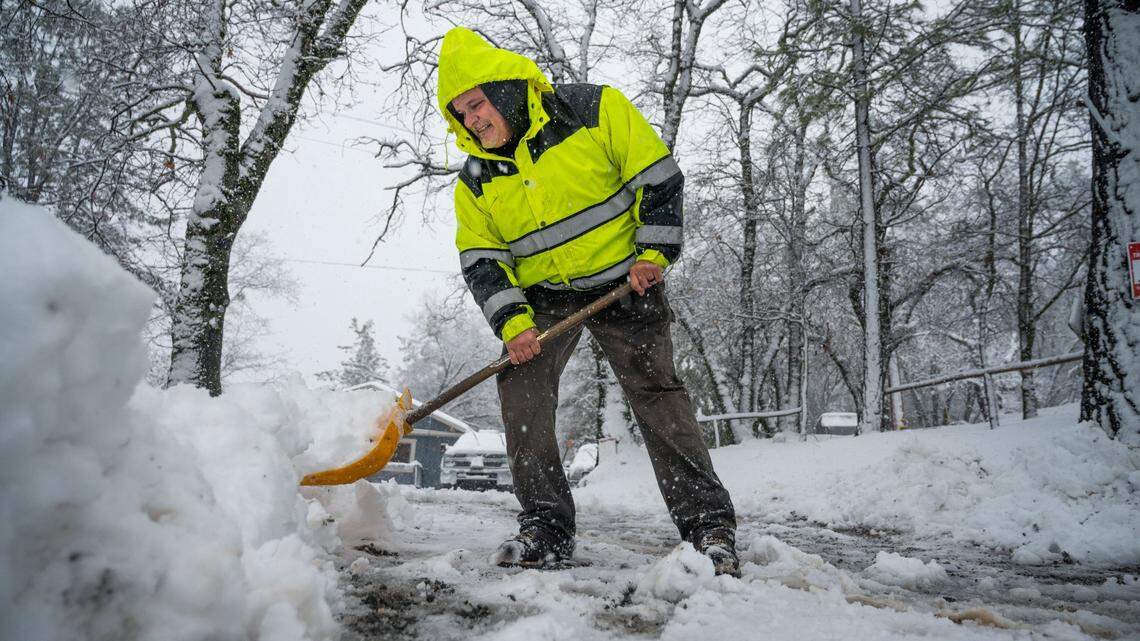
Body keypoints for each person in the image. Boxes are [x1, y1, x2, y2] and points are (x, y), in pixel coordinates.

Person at [436, 27, 739, 577]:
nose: (473, 120)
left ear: (503, 90)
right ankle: (546, 527)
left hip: (627, 280)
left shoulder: (594, 110)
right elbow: (482, 259)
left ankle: (708, 528)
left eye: (477, 104)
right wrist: (513, 324)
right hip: (545, 298)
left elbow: (658, 177)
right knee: (522, 392)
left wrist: (654, 251)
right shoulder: (477, 179)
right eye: (460, 113)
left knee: (656, 394)